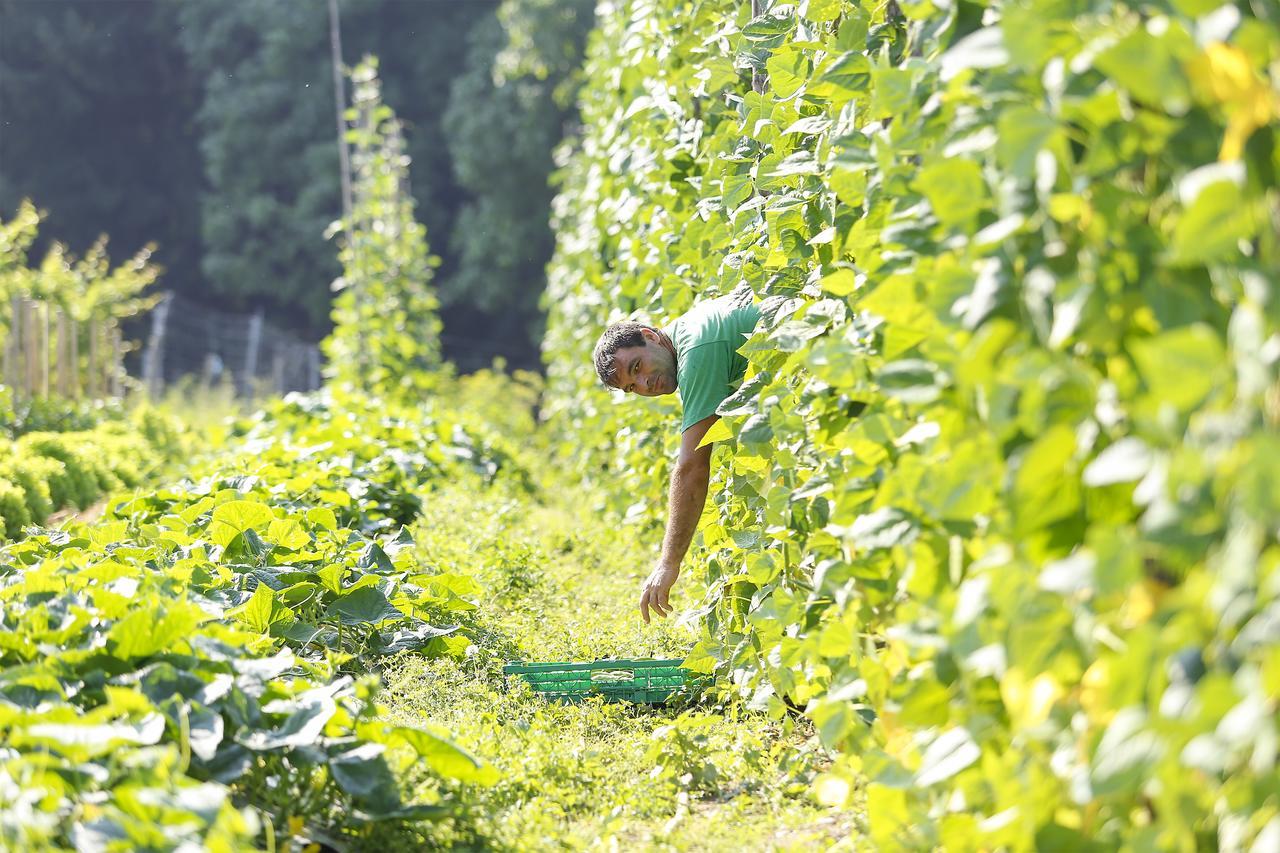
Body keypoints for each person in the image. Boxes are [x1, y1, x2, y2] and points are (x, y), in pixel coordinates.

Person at [591, 287, 760, 623]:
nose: (644, 384)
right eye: (631, 387)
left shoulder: (697, 349)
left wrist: (669, 563)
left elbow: (692, 467)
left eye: (637, 367)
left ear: (649, 335)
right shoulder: (688, 329)